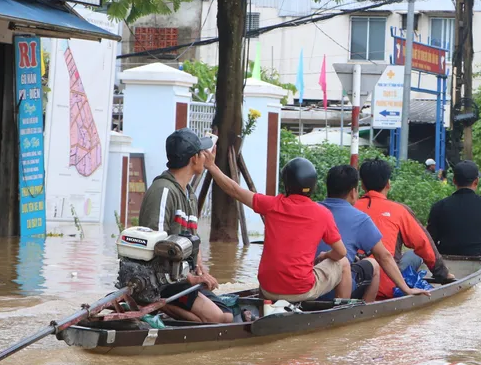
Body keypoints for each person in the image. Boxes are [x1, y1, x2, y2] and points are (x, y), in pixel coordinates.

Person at [205, 151, 352, 302]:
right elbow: (341, 252)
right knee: (344, 263)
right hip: (301, 290)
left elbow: (234, 190)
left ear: (287, 185)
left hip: (268, 289)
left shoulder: (271, 205)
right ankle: (343, 311)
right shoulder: (323, 214)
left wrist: (211, 166)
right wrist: (326, 255)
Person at [137, 128, 230, 324]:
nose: (206, 157)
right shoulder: (163, 190)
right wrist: (191, 279)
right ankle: (155, 303)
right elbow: (155, 248)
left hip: (182, 279)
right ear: (194, 159)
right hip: (162, 281)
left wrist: (200, 271)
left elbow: (192, 240)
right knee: (219, 319)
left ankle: (168, 309)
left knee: (228, 316)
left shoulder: (189, 194)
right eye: (201, 153)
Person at [319, 165, 431, 302]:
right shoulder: (360, 218)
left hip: (310, 282)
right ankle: (365, 311)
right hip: (337, 288)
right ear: (353, 192)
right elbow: (384, 256)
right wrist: (406, 289)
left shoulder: (311, 211)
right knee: (373, 264)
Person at [357, 159, 453, 299]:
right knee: (415, 254)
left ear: (362, 185)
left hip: (353, 284)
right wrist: (443, 274)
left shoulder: (350, 208)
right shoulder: (399, 210)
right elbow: (424, 244)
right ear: (388, 184)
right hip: (386, 287)